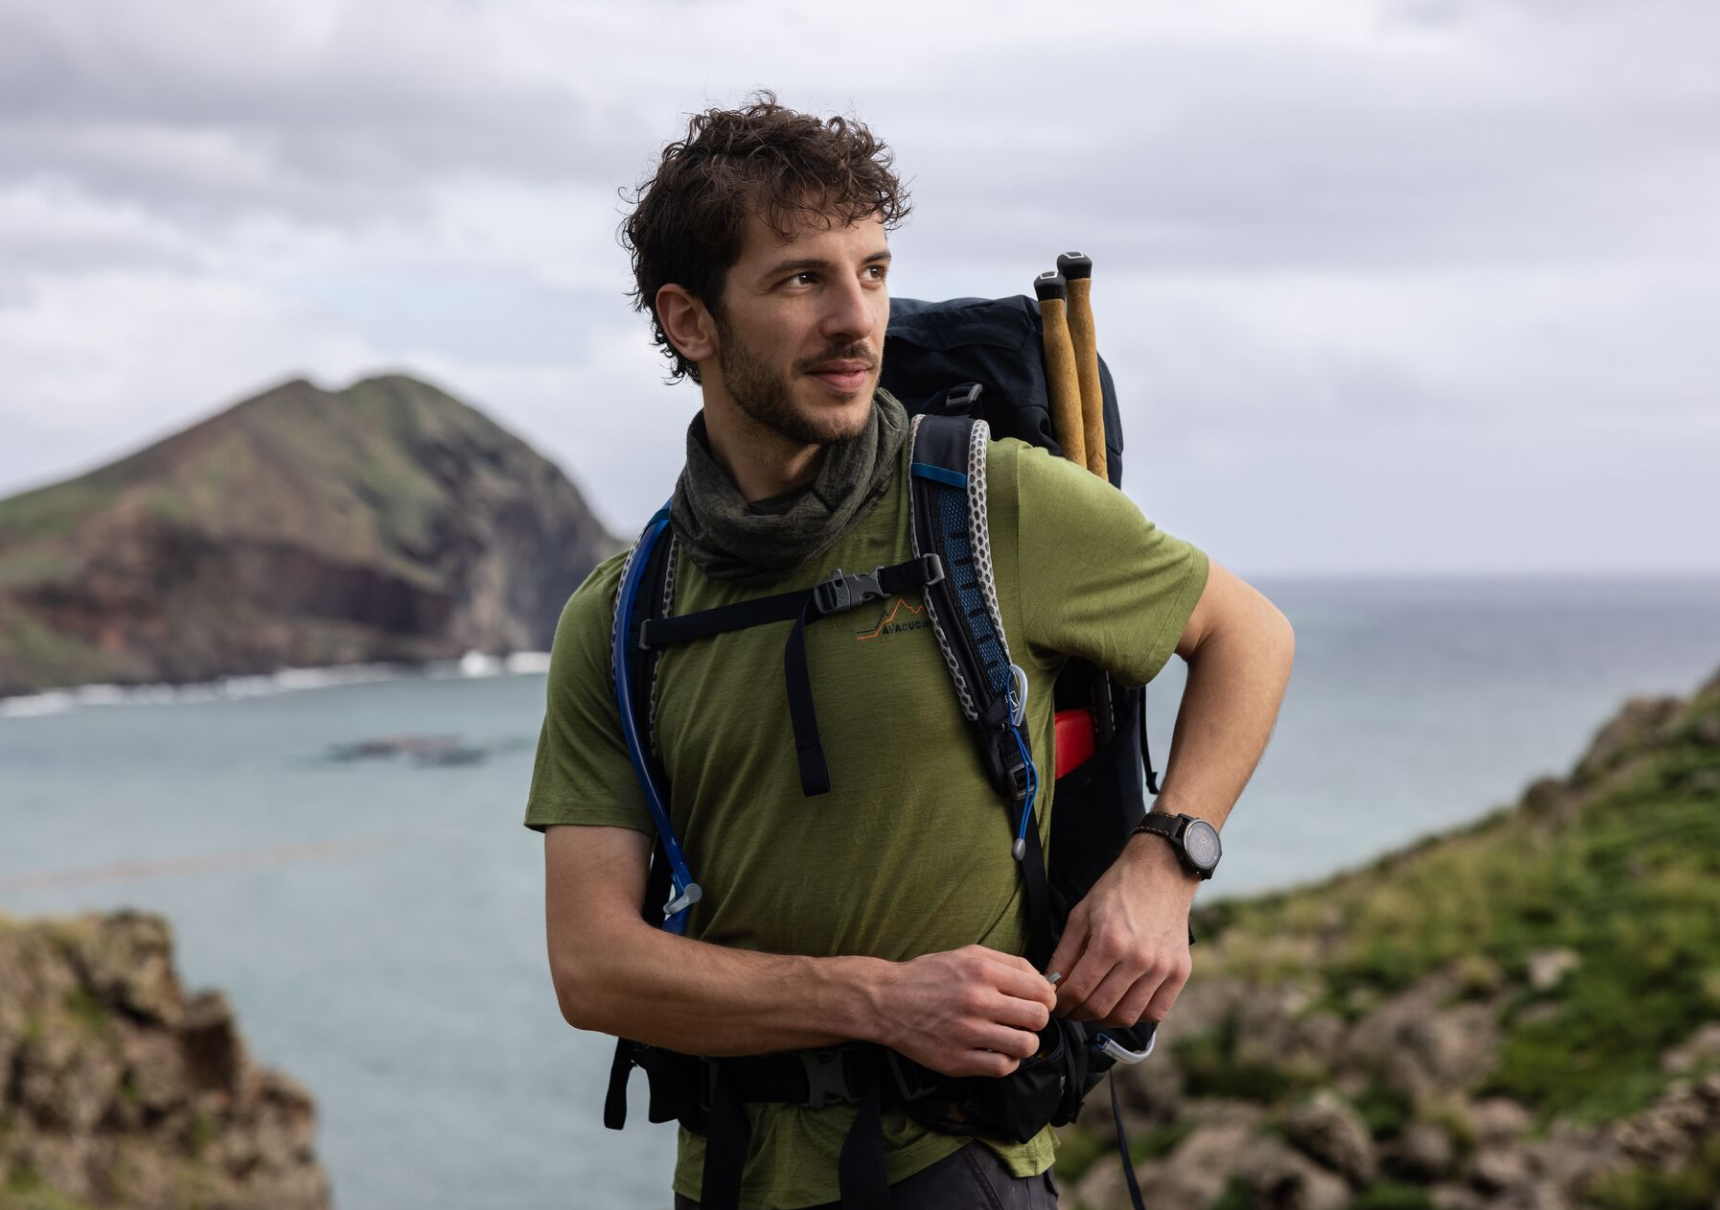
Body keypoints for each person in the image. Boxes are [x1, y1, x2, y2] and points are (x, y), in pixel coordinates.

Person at [524, 94, 1296, 1210]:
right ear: (690, 321)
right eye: (802, 279)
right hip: (728, 1177)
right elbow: (594, 967)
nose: (856, 319)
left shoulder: (988, 501)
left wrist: (1167, 858)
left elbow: (1247, 633)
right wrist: (878, 1000)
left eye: (873, 271)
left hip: (957, 1168)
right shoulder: (625, 610)